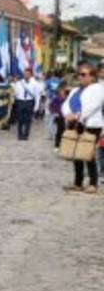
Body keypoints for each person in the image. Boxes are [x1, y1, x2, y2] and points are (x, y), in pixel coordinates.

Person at [63, 63, 102, 194]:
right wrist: (67, 114)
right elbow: (66, 104)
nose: (85, 77)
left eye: (88, 74)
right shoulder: (75, 91)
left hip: (91, 124)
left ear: (93, 76)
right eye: (82, 74)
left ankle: (93, 183)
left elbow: (93, 106)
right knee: (76, 155)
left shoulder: (98, 89)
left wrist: (78, 116)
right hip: (75, 124)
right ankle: (78, 182)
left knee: (88, 153)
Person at [10, 68, 41, 141]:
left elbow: (37, 95)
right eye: (25, 74)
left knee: (28, 120)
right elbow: (16, 93)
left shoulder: (35, 84)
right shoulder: (19, 83)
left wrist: (36, 106)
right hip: (20, 102)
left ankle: (26, 135)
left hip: (29, 102)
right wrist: (13, 88)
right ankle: (20, 135)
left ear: (30, 75)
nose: (26, 75)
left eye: (27, 74)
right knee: (20, 120)